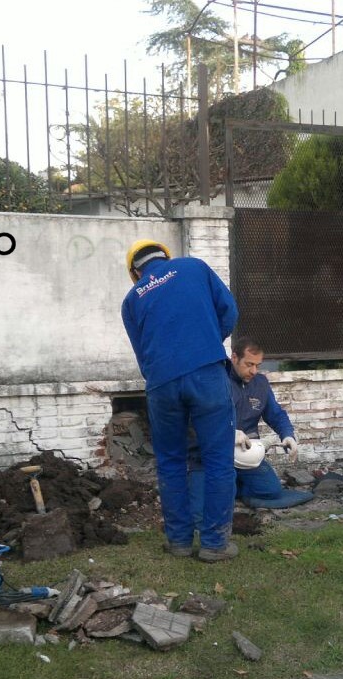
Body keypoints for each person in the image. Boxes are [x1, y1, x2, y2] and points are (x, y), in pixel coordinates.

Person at [121, 239, 240, 563]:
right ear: (164, 256)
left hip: (161, 385)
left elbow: (141, 351)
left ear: (136, 271)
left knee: (172, 461)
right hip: (205, 375)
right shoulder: (194, 267)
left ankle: (179, 542)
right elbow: (229, 311)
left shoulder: (131, 299)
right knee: (217, 459)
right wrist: (208, 342)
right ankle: (215, 544)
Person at [227, 337, 314, 508]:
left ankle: (237, 489)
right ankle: (229, 488)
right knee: (212, 498)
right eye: (249, 364)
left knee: (272, 490)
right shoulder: (218, 382)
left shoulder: (260, 383)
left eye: (257, 365)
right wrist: (228, 433)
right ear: (234, 358)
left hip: (248, 455)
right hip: (219, 453)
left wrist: (288, 435)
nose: (254, 371)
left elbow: (276, 414)